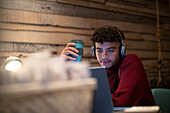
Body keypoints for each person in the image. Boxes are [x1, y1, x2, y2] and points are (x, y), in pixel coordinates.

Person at [61, 26, 155, 107]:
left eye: (111, 50)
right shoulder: (101, 72)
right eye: (99, 51)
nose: (104, 56)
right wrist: (62, 67)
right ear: (94, 51)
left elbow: (120, 103)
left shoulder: (132, 62)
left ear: (121, 51)